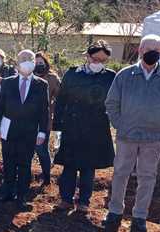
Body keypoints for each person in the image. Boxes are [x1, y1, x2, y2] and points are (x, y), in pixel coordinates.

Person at [103, 34, 160, 232]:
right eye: (149, 50)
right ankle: (114, 212)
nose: (153, 54)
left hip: (153, 138)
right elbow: (111, 103)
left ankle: (139, 216)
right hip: (126, 136)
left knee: (148, 177)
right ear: (140, 50)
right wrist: (120, 124)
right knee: (121, 173)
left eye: (158, 50)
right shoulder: (125, 75)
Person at [53, 40, 116, 213]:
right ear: (88, 56)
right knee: (69, 165)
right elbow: (61, 101)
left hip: (96, 128)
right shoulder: (73, 74)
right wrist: (57, 127)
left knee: (89, 167)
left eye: (103, 61)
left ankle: (84, 202)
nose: (99, 64)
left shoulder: (110, 77)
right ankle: (65, 199)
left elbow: (115, 103)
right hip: (72, 126)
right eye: (96, 59)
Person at [0, 49, 49, 209]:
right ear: (17, 64)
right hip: (8, 129)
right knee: (9, 162)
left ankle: (22, 196)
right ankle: (8, 193)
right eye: (23, 59)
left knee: (25, 164)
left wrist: (42, 131)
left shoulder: (41, 84)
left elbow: (44, 110)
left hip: (29, 131)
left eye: (30, 59)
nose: (27, 62)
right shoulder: (7, 82)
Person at [33, 51, 60, 186]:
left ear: (45, 63)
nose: (38, 65)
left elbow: (60, 97)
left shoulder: (52, 78)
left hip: (44, 119)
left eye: (40, 63)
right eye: (35, 63)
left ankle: (47, 176)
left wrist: (52, 109)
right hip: (27, 119)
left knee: (41, 148)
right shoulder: (27, 76)